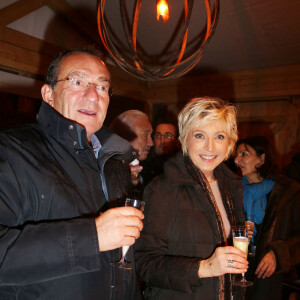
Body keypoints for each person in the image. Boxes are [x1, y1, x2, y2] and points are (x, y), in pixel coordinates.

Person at [0, 48, 144, 299]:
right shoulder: (11, 151)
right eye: (77, 82)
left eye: (101, 87)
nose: (92, 96)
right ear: (48, 95)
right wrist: (91, 237)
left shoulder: (115, 160)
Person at [135, 97, 248, 300]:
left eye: (220, 137)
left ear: (230, 142)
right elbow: (145, 262)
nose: (210, 147)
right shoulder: (164, 188)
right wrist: (204, 267)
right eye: (199, 135)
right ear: (184, 139)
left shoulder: (231, 186)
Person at [234, 136, 300, 300]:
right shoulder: (230, 190)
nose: (237, 160)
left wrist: (277, 253)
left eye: (244, 154)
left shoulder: (288, 193)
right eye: (236, 154)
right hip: (234, 275)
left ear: (262, 158)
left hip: (267, 280)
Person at [141, 119, 181, 185]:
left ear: (177, 140)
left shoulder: (183, 168)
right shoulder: (143, 168)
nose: (162, 141)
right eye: (158, 136)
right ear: (153, 140)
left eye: (168, 136)